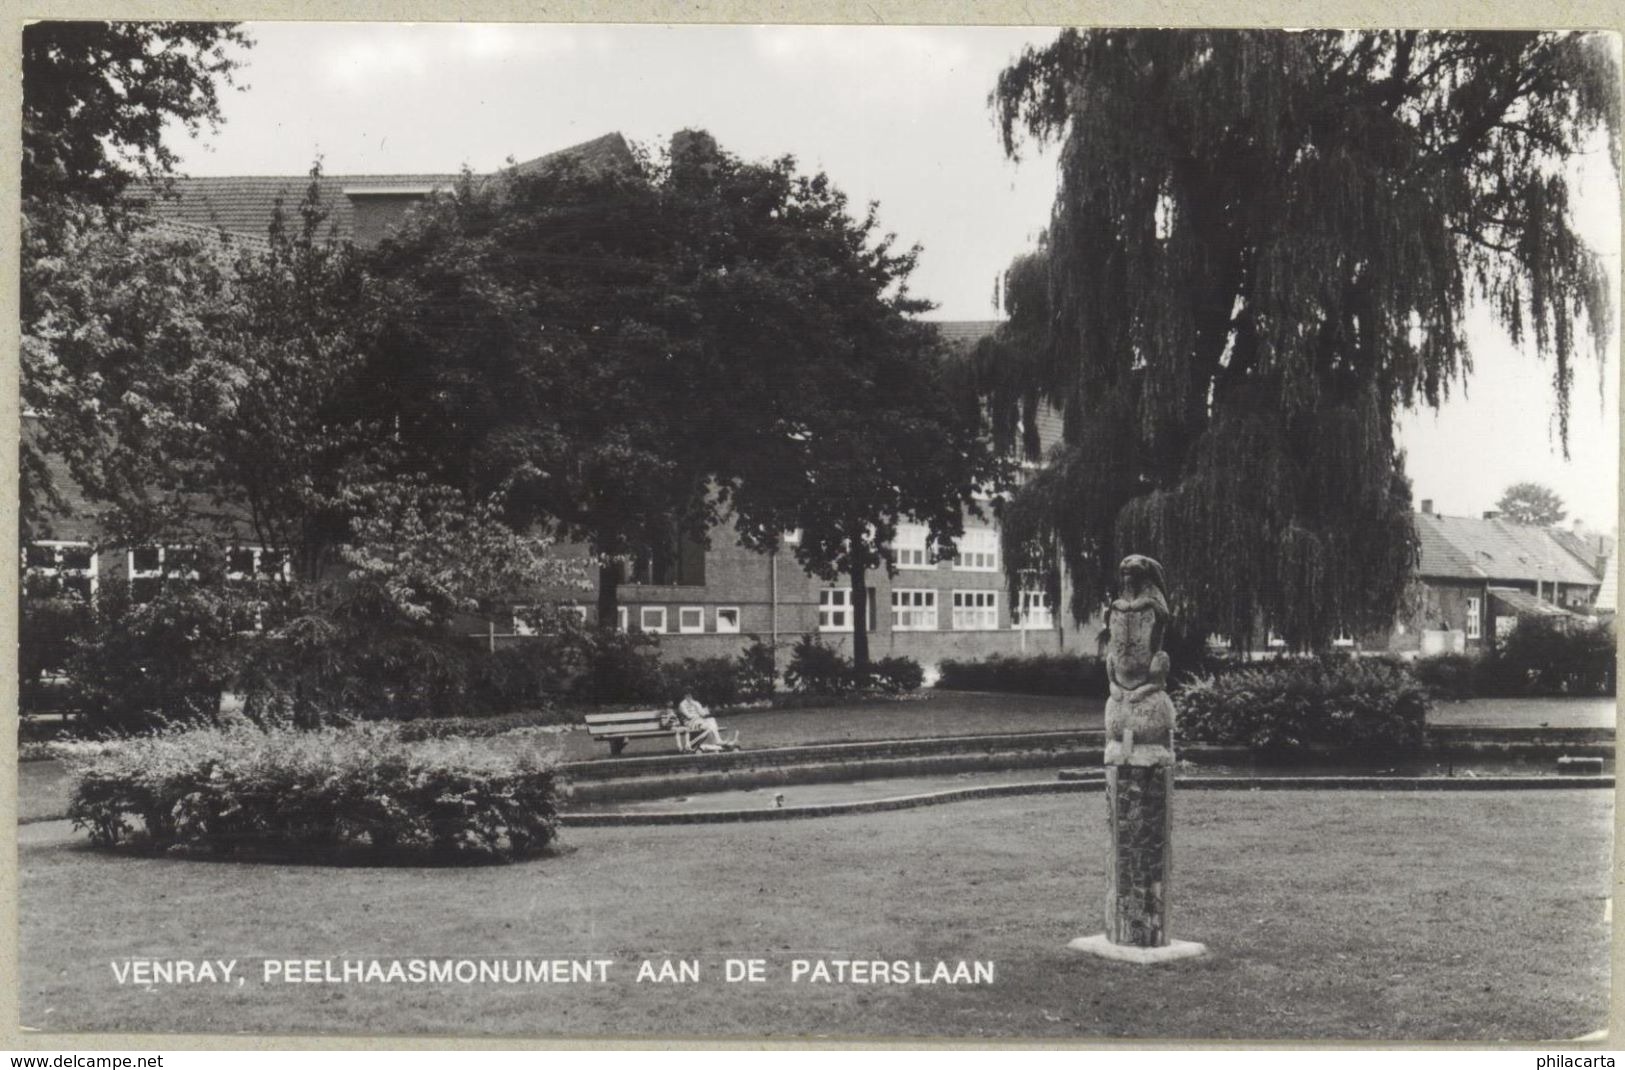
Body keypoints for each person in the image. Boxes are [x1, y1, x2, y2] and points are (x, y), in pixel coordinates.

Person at [669, 693, 735, 752]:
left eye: (690, 695)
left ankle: (718, 741)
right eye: (687, 695)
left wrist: (696, 705)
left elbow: (703, 714)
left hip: (699, 720)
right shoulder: (682, 704)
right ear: (685, 696)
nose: (689, 696)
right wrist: (698, 715)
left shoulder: (695, 703)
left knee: (711, 720)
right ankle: (716, 742)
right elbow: (688, 716)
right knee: (708, 726)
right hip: (689, 723)